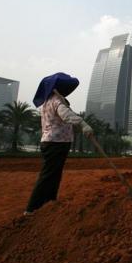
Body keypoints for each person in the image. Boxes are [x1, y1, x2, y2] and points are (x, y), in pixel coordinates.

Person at [24, 73, 93, 216]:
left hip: (53, 142)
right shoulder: (56, 101)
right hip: (55, 143)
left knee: (54, 175)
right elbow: (66, 116)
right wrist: (83, 123)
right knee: (48, 175)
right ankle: (31, 209)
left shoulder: (49, 101)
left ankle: (49, 203)